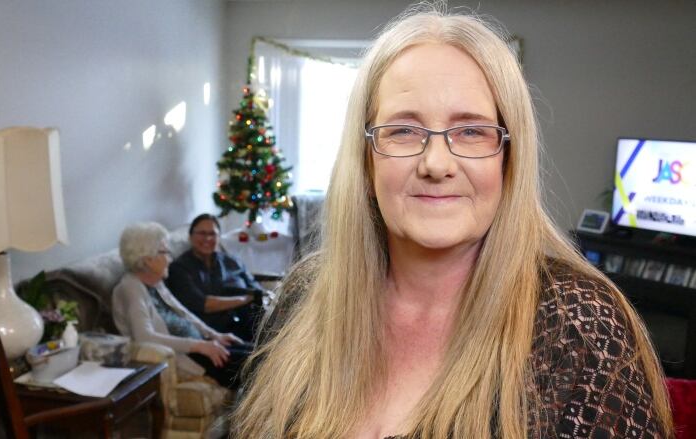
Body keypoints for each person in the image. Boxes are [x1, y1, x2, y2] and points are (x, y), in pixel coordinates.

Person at [232, 4, 673, 439]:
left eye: (471, 131)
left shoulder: (580, 324)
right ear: (366, 163)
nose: (436, 163)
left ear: (508, 160)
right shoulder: (305, 296)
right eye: (404, 130)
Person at [111, 221, 252, 389]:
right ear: (148, 259)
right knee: (260, 364)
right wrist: (199, 346)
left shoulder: (156, 282)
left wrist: (215, 335)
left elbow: (185, 314)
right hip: (188, 357)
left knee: (258, 352)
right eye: (165, 252)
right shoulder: (130, 288)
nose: (170, 259)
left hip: (200, 346)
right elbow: (144, 337)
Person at [165, 213, 265, 341]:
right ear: (190, 237)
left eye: (212, 234)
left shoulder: (232, 261)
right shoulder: (179, 268)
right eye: (202, 233)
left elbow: (255, 288)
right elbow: (204, 304)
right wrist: (244, 299)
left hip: (249, 323)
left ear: (219, 237)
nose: (207, 238)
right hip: (211, 332)